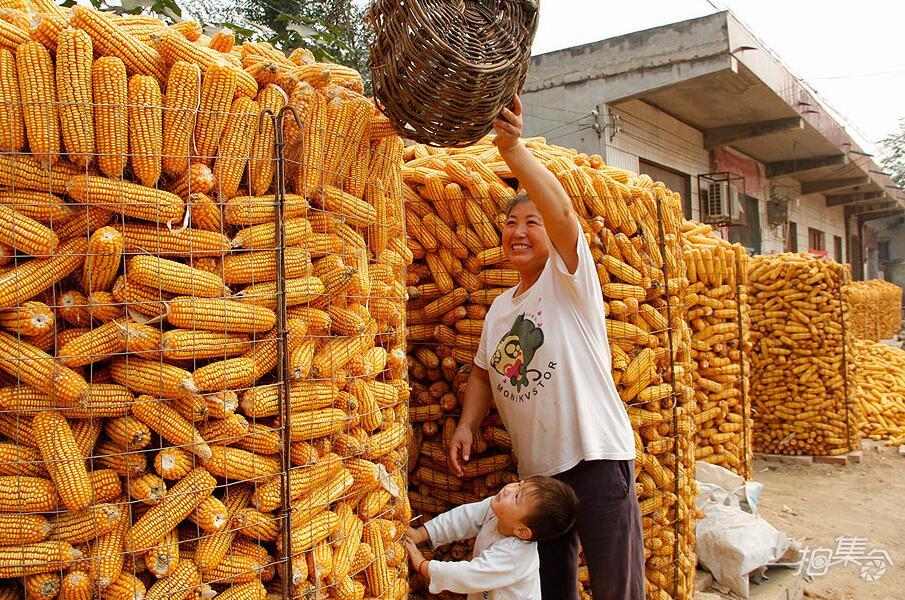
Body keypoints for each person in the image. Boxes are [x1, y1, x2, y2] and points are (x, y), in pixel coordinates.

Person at [447, 95, 645, 600]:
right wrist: (468, 424)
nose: (519, 231)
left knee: (615, 587)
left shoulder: (568, 279)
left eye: (531, 223)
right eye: (511, 223)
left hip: (595, 458)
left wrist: (513, 151)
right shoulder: (499, 310)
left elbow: (563, 215)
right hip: (538, 481)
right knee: (552, 590)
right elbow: (482, 374)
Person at [403, 476, 579, 600]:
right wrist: (421, 533)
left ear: (522, 531)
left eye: (517, 497)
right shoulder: (496, 511)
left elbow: (469, 575)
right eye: (519, 484)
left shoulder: (513, 556)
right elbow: (464, 518)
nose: (509, 489)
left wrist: (424, 566)